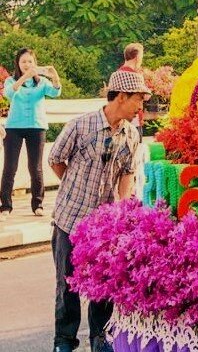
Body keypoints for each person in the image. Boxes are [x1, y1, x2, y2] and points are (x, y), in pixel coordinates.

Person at [48, 69, 149, 352]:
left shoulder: (131, 133)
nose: (140, 107)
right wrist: (72, 186)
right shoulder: (81, 126)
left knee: (103, 286)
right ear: (121, 96)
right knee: (67, 286)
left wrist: (121, 207)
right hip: (70, 220)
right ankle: (64, 340)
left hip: (103, 227)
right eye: (137, 100)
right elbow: (55, 159)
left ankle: (100, 337)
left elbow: (127, 171)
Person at [1, 48, 62, 217]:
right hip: (14, 127)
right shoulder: (11, 80)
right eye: (23, 62)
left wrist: (54, 75)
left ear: (34, 63)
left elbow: (56, 92)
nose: (27, 65)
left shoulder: (42, 82)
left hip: (36, 127)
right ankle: (5, 206)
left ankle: (38, 204)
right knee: (9, 167)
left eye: (30, 61)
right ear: (18, 64)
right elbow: (9, 94)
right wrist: (23, 78)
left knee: (35, 168)